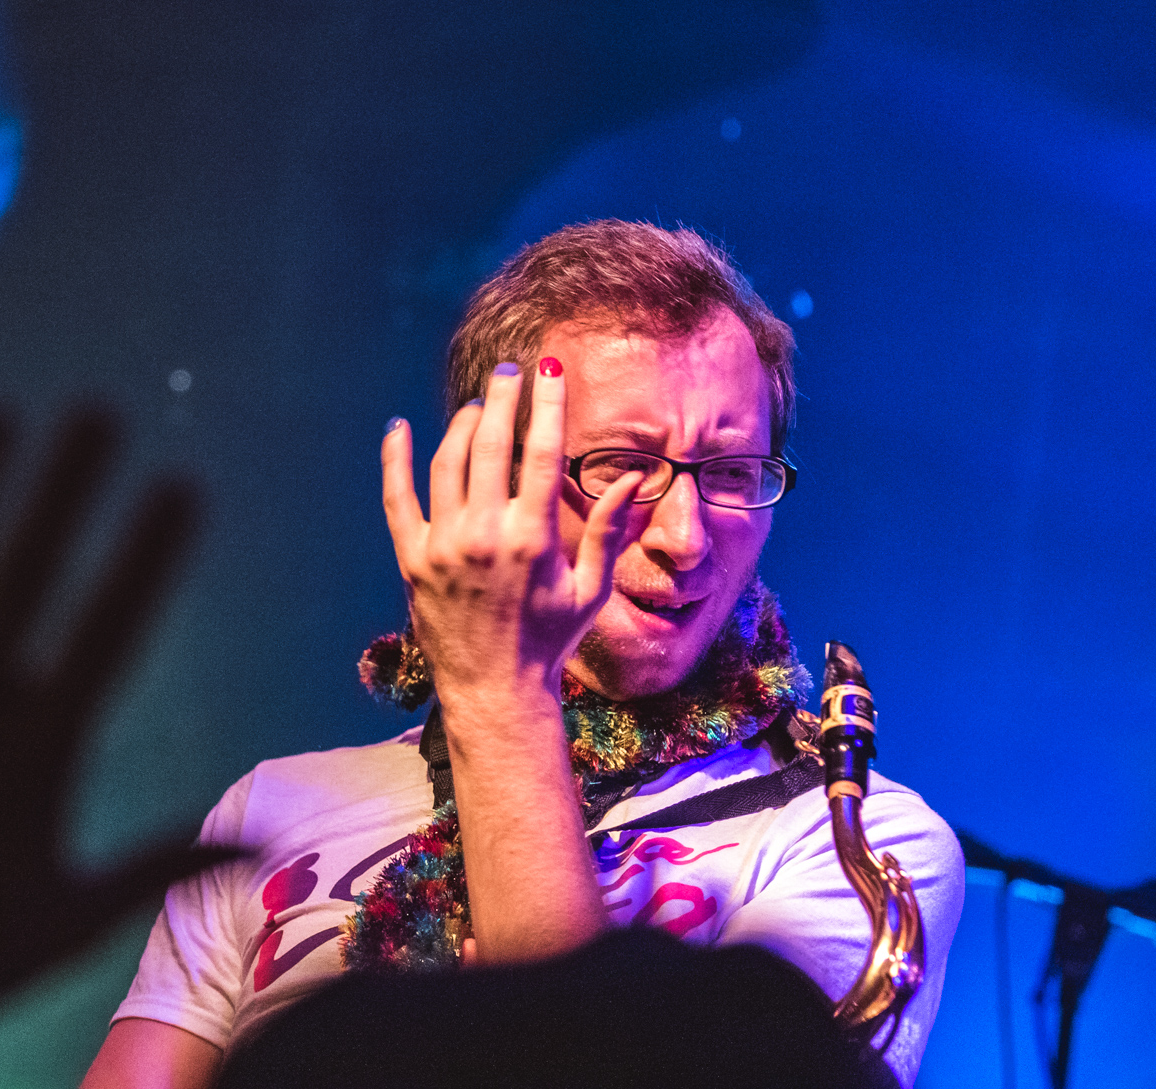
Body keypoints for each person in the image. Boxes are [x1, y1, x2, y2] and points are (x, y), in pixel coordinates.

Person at [81, 221, 966, 1088]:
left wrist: (499, 699)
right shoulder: (272, 806)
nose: (686, 537)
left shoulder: (864, 844)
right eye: (622, 465)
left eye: (731, 472)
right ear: (492, 477)